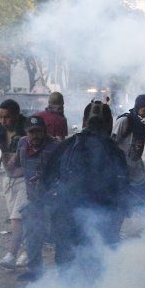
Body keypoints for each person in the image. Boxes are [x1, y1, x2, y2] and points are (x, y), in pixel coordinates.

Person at [43, 100, 129, 270]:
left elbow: (46, 182)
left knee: (67, 268)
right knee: (97, 268)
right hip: (102, 221)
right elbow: (122, 190)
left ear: (83, 121)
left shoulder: (65, 146)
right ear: (109, 124)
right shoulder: (114, 152)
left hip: (67, 219)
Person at [12, 115, 60, 281]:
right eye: (31, 132)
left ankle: (64, 272)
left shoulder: (55, 148)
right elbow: (15, 167)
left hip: (53, 202)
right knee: (32, 238)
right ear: (26, 133)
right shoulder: (21, 145)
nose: (35, 136)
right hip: (33, 201)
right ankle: (35, 271)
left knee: (58, 237)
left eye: (38, 132)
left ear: (44, 131)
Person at [0, 99, 28, 270]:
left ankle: (11, 254)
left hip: (25, 180)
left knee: (17, 219)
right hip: (9, 180)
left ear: (16, 116)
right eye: (1, 117)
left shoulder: (27, 130)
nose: (3, 121)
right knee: (18, 219)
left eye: (7, 117)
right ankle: (28, 250)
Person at [111, 94, 145, 210]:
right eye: (144, 111)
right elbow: (110, 144)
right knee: (120, 208)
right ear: (137, 109)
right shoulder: (124, 121)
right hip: (121, 173)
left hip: (137, 173)